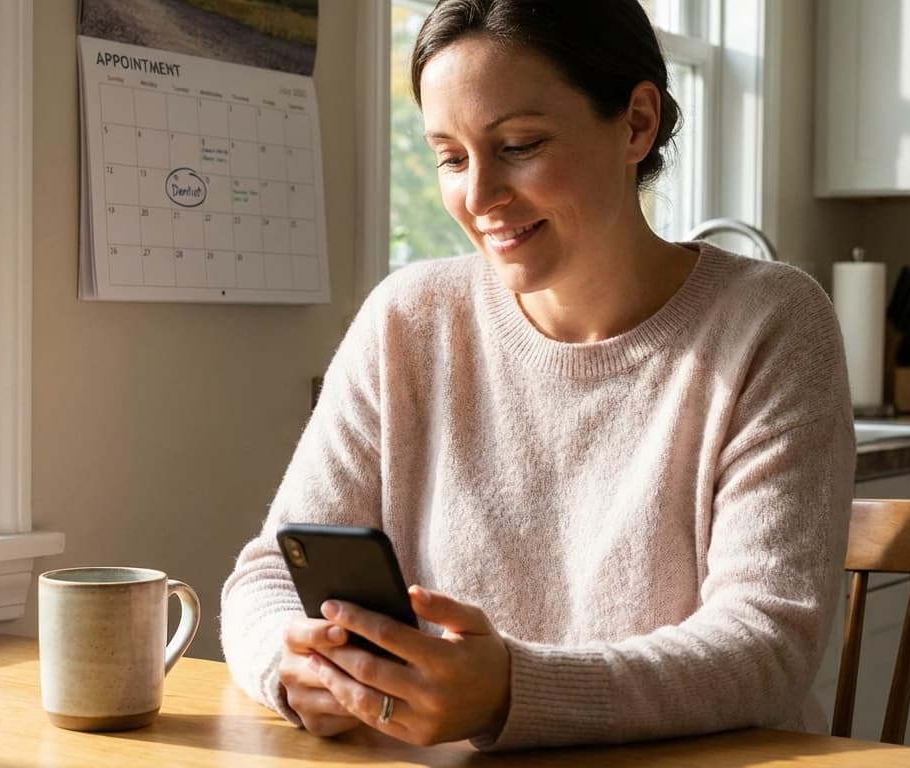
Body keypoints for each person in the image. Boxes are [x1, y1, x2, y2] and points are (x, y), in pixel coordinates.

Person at [221, 0, 854, 751]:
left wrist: (513, 694)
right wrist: (293, 667)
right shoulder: (409, 318)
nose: (480, 197)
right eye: (451, 158)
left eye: (519, 145)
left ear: (637, 123)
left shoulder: (774, 321)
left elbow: (766, 646)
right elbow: (267, 576)